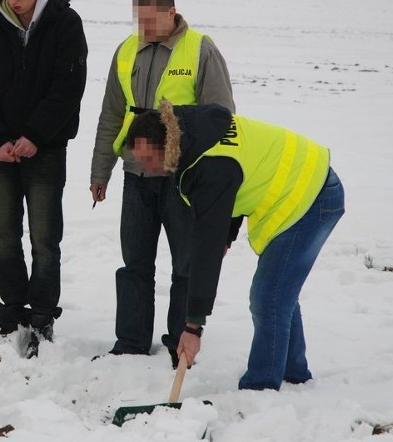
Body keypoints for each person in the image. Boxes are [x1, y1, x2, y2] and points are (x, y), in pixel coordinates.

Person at [126, 100, 345, 390]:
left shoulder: (208, 165)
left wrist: (193, 326)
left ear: (166, 143)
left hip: (311, 197)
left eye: (148, 158)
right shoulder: (195, 133)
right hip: (307, 186)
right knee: (279, 291)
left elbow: (205, 247)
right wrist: (227, 234)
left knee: (268, 295)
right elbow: (238, 179)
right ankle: (293, 373)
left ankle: (261, 387)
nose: (146, 168)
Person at [89, 0, 235, 365]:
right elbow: (111, 113)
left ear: (171, 12)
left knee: (186, 264)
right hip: (135, 175)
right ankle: (131, 342)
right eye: (139, 20)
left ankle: (179, 343)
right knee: (134, 263)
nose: (145, 28)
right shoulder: (126, 50)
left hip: (181, 180)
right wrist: (100, 169)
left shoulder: (202, 50)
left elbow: (222, 119)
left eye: (151, 20)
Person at [0, 0, 87, 356]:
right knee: (4, 238)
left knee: (44, 240)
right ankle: (13, 311)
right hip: (0, 153)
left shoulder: (65, 25)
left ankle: (42, 316)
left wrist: (35, 135)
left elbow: (67, 88)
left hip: (46, 151)